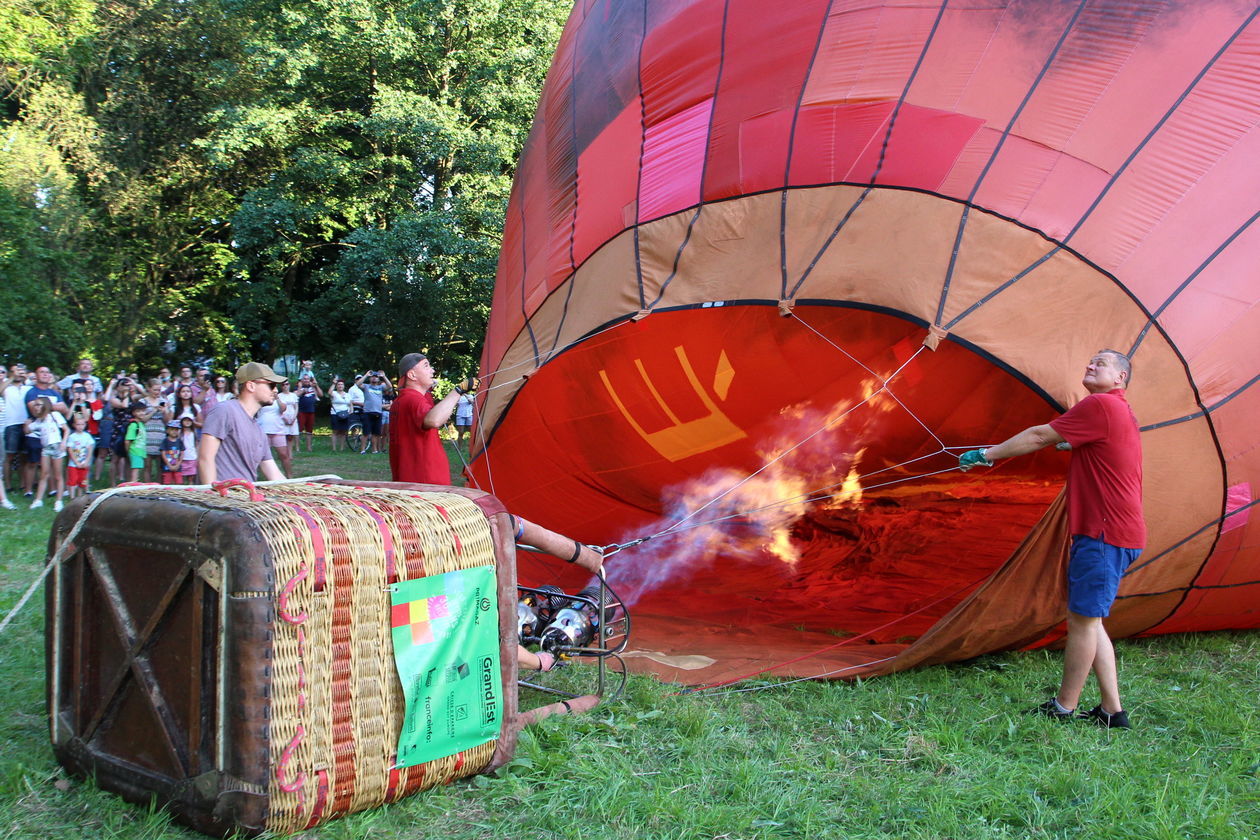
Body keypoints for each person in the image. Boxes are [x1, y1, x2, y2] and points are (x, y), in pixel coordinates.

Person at [959, 350, 1143, 729]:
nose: (1090, 365)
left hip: (1105, 534)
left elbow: (1039, 434)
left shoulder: (1101, 405)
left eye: (1101, 363)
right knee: (1091, 621)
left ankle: (1064, 706)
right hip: (1115, 533)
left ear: (1120, 378)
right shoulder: (1115, 411)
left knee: (1082, 623)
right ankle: (1112, 711)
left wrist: (986, 454)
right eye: (1089, 361)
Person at [199, 362, 287, 484]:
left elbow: (275, 475)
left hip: (245, 499)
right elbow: (205, 458)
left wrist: (300, 495)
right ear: (251, 386)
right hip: (221, 500)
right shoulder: (224, 411)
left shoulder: (259, 430)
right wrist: (213, 497)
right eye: (271, 385)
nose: (276, 390)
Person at [389, 353, 470, 485]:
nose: (432, 370)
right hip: (425, 482)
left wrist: (428, 386)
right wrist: (458, 391)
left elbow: (430, 408)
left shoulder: (406, 399)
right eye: (426, 366)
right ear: (412, 375)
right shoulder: (412, 400)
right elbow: (434, 420)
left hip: (414, 480)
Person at [26, 396, 68, 510]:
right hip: (46, 448)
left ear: (45, 405)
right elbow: (28, 430)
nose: (36, 407)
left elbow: (66, 429)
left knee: (58, 475)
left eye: (38, 404)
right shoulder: (39, 421)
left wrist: (64, 442)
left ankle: (59, 501)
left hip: (57, 447)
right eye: (35, 405)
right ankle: (38, 500)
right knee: (44, 474)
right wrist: (27, 423)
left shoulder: (55, 415)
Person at [3, 364, 31, 498]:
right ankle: (8, 486)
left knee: (24, 457)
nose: (18, 373)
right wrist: (10, 378)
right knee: (9, 456)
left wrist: (26, 379)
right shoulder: (7, 387)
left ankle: (22, 484)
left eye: (21, 371)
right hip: (11, 424)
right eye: (15, 371)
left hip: (25, 424)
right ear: (11, 373)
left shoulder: (28, 387)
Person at [65, 413, 95, 498]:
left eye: (82, 424)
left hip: (84, 463)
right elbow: (70, 450)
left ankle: (80, 496)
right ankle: (72, 497)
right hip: (73, 464)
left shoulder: (87, 436)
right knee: (73, 480)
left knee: (82, 480)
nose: (80, 426)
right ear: (74, 425)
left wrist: (87, 461)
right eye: (78, 424)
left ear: (85, 425)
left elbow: (90, 449)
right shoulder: (72, 437)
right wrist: (76, 462)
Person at [295, 374, 324, 452]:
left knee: (309, 431)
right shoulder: (298, 387)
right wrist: (302, 390)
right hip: (301, 411)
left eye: (308, 379)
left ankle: (309, 448)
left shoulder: (313, 388)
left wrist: (316, 385)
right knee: (299, 430)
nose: (306, 380)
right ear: (302, 380)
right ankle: (297, 448)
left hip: (311, 411)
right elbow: (295, 395)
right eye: (304, 379)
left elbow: (321, 394)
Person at [123, 403, 149, 483]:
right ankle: (133, 484)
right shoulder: (134, 425)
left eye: (143, 411)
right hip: (135, 451)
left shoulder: (141, 424)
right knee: (135, 469)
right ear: (134, 413)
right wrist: (128, 451)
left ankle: (135, 483)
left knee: (138, 468)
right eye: (138, 411)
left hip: (140, 451)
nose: (141, 413)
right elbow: (127, 440)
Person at [328, 379, 353, 451]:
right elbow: (329, 392)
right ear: (336, 386)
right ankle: (334, 448)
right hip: (335, 414)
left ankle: (342, 448)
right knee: (335, 431)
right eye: (338, 384)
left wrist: (351, 411)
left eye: (341, 384)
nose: (340, 386)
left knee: (343, 431)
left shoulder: (348, 395)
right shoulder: (334, 393)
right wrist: (333, 383)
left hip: (345, 414)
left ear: (344, 386)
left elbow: (350, 404)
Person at [159, 421, 184, 485]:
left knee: (179, 482)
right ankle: (167, 495)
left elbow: (182, 453)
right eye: (172, 429)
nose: (174, 431)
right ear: (167, 431)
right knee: (167, 482)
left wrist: (178, 464)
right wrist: (169, 465)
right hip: (167, 466)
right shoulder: (165, 441)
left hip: (177, 466)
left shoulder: (180, 442)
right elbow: (163, 453)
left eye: (176, 430)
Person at [178, 415, 199, 484]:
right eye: (185, 420)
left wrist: (197, 455)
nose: (187, 422)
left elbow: (196, 445)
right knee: (181, 477)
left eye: (189, 420)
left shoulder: (194, 433)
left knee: (191, 477)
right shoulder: (179, 433)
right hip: (182, 457)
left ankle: (191, 489)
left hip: (192, 457)